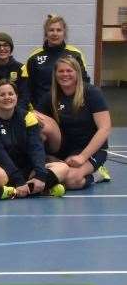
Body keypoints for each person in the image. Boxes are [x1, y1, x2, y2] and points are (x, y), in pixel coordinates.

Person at [0, 81, 65, 199]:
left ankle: (15, 191)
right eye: (2, 95)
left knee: (63, 168)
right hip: (1, 167)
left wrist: (41, 175)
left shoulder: (27, 116)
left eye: (11, 94)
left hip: (26, 167)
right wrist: (18, 180)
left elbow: (36, 147)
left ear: (16, 97)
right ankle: (39, 189)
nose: (7, 97)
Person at [38, 56, 113, 190]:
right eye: (61, 71)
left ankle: (97, 174)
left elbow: (105, 128)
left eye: (69, 71)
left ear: (77, 73)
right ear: (55, 74)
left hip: (89, 150)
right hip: (63, 148)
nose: (65, 74)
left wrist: (82, 157)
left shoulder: (91, 93)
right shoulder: (50, 96)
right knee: (37, 118)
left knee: (71, 180)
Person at [25, 14, 90, 109]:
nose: (55, 33)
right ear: (46, 33)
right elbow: (28, 87)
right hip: (42, 109)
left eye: (59, 30)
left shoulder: (76, 54)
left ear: (64, 33)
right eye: (51, 30)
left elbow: (83, 82)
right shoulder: (34, 57)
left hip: (70, 108)